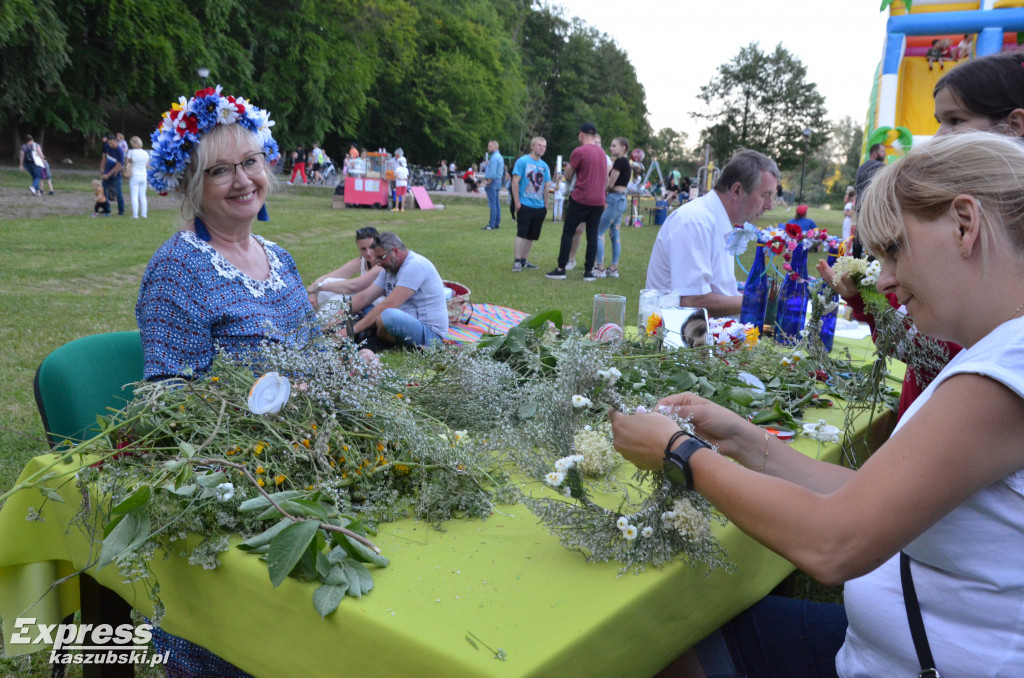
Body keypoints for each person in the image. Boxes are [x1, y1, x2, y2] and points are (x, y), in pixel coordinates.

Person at [612, 131, 1024, 678]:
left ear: (965, 224)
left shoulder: (1003, 369)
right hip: (890, 649)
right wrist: (739, 437)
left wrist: (679, 452)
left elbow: (833, 542)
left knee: (654, 644)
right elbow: (866, 499)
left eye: (896, 249)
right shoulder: (997, 351)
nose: (891, 280)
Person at [135, 85, 308, 676]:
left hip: (302, 455)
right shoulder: (176, 269)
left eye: (251, 163)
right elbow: (165, 402)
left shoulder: (282, 259)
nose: (242, 181)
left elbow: (308, 352)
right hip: (228, 477)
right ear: (190, 186)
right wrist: (256, 401)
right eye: (219, 171)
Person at [645, 149, 778, 317]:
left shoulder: (714, 221)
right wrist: (762, 301)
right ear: (736, 190)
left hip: (705, 337)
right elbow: (693, 301)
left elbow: (717, 292)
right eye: (765, 196)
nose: (769, 205)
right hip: (682, 339)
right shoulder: (695, 221)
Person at [342, 232, 448, 348]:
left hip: (429, 334)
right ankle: (365, 336)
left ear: (395, 251)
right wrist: (333, 320)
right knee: (366, 307)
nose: (378, 264)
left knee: (387, 316)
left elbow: (390, 304)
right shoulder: (389, 269)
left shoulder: (415, 266)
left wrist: (351, 330)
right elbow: (365, 297)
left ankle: (371, 339)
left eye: (381, 258)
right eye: (376, 259)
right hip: (403, 323)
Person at [545, 123, 608, 282]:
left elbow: (568, 173)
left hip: (581, 198)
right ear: (594, 136)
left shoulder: (579, 151)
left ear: (581, 134)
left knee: (569, 232)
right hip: (598, 200)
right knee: (592, 235)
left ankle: (561, 269)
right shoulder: (602, 153)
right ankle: (588, 272)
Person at [308, 226, 383, 307]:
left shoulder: (382, 264)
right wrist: (313, 292)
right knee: (325, 290)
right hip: (363, 299)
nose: (368, 253)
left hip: (379, 304)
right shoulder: (362, 261)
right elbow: (329, 277)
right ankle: (311, 315)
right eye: (363, 249)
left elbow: (353, 286)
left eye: (371, 247)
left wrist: (317, 287)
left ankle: (321, 318)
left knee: (341, 297)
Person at [510, 137, 552, 272]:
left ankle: (523, 260)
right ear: (532, 146)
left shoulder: (545, 166)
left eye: (544, 146)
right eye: (539, 145)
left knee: (531, 236)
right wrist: (517, 201)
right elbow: (515, 181)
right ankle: (517, 261)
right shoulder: (523, 161)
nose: (542, 148)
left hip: (539, 206)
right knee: (521, 233)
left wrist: (546, 206)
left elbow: (546, 187)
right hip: (525, 204)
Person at [593, 137, 632, 278]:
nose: (611, 148)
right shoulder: (626, 163)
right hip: (622, 199)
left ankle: (600, 267)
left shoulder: (620, 162)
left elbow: (610, 184)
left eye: (614, 145)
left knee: (598, 231)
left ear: (623, 148)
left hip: (614, 199)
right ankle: (613, 268)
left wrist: (601, 191)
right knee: (615, 234)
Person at [100, 134, 125, 215]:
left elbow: (118, 165)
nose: (110, 145)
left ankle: (121, 211)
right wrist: (102, 167)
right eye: (109, 143)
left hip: (116, 173)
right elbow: (104, 157)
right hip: (107, 170)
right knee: (103, 190)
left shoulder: (120, 151)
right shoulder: (107, 146)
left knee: (118, 192)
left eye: (111, 143)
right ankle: (107, 209)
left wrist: (108, 175)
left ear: (116, 142)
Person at [126, 136, 150, 219]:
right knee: (143, 196)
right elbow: (147, 165)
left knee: (134, 196)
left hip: (134, 175)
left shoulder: (131, 152)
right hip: (143, 175)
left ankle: (135, 215)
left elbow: (126, 163)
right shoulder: (145, 153)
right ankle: (144, 214)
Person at [483, 140, 504, 230]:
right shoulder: (500, 157)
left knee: (492, 204)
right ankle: (496, 223)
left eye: (490, 146)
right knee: (496, 203)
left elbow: (492, 172)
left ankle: (491, 224)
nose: (488, 148)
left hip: (493, 181)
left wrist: (488, 181)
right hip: (498, 180)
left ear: (495, 147)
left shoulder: (494, 158)